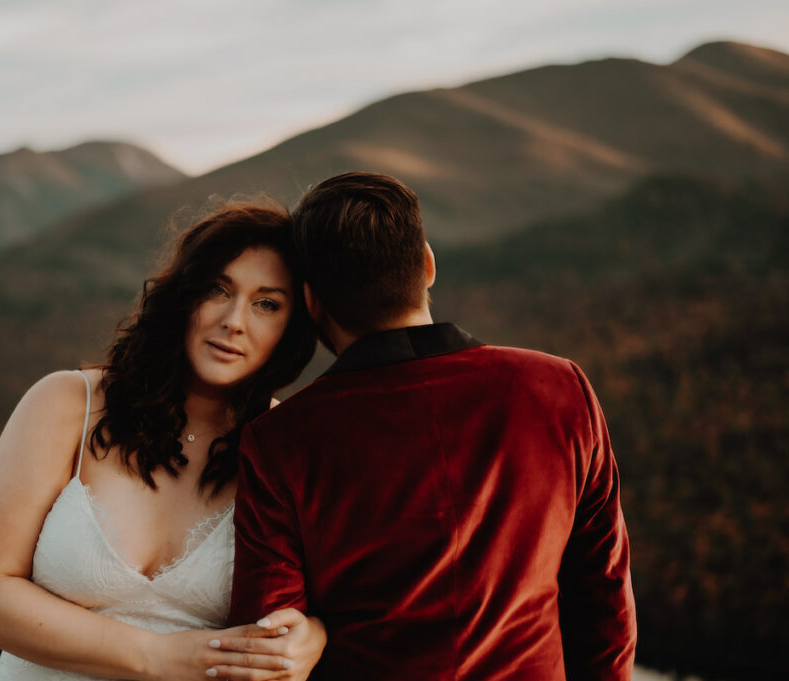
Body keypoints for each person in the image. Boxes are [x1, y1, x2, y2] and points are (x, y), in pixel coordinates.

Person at [230, 172, 637, 680]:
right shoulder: (558, 389)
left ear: (311, 301)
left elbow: (269, 645)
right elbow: (604, 601)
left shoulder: (280, 440)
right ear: (427, 264)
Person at [0, 201, 327, 681]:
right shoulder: (70, 404)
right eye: (218, 289)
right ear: (184, 296)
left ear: (291, 329)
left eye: (267, 304)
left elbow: (337, 601)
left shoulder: (285, 443)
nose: (235, 320)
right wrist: (158, 656)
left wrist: (313, 637)